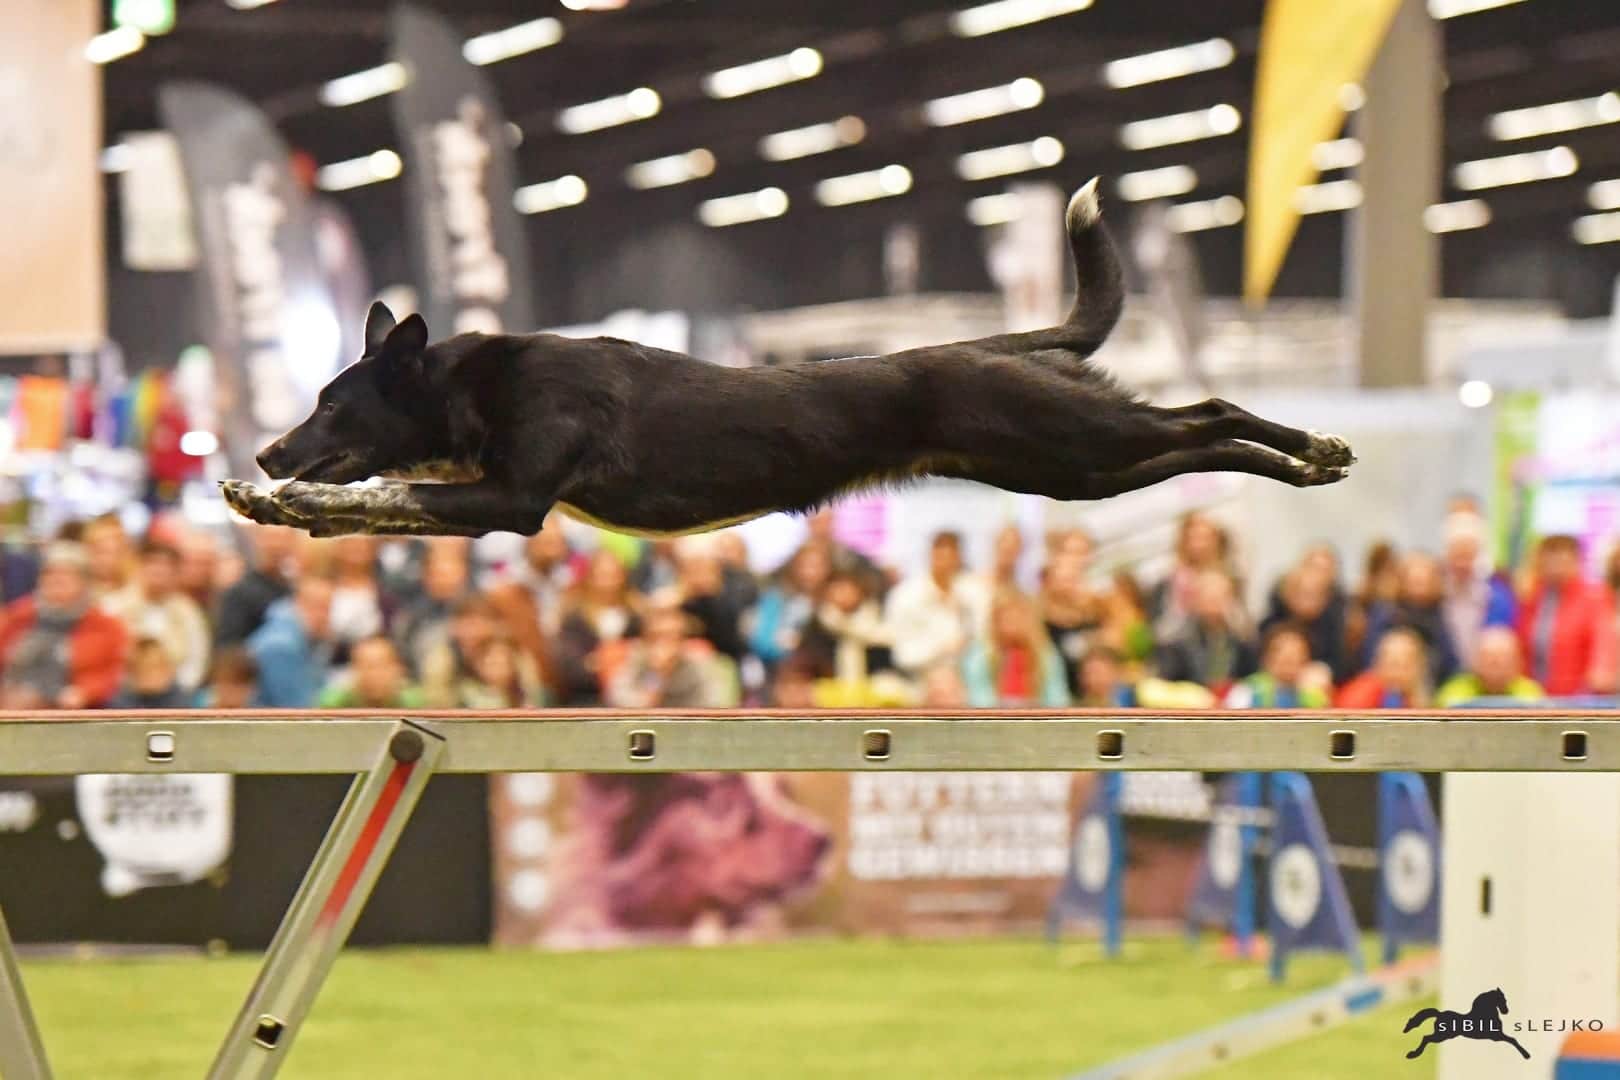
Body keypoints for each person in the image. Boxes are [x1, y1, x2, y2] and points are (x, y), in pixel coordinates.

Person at [0, 542, 128, 709]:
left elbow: (116, 675)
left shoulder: (106, 626)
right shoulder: (19, 615)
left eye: (66, 574)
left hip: (71, 710)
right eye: (49, 573)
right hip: (12, 701)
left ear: (84, 582)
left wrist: (85, 692)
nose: (56, 579)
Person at [102, 538, 212, 692]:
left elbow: (196, 662)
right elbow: (104, 658)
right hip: (123, 696)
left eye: (166, 565)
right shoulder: (112, 607)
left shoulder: (188, 612)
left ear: (176, 572)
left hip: (175, 698)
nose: (158, 571)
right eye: (152, 563)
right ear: (138, 567)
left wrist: (174, 689)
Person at [1516, 535, 1618, 696]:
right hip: (1534, 696)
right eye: (1551, 552)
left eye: (1563, 553)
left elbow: (1603, 645)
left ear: (1576, 560)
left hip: (1579, 699)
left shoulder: (1595, 597)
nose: (1556, 560)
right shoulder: (1530, 597)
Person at [884, 531, 990, 678]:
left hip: (967, 682)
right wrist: (941, 649)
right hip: (919, 681)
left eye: (951, 556)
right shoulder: (906, 595)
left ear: (959, 558)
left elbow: (982, 638)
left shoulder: (973, 592)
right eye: (940, 556)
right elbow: (901, 654)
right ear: (930, 555)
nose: (946, 562)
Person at [553, 549, 643, 706]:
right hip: (586, 699)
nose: (608, 582)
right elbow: (570, 665)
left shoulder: (637, 615)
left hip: (632, 696)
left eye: (614, 575)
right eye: (602, 575)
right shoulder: (575, 617)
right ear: (589, 578)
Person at [1359, 551, 1459, 683]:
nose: (1420, 587)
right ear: (1403, 581)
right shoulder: (1386, 613)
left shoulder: (1438, 615)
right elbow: (1370, 659)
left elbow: (1450, 662)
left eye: (1424, 581)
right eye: (1415, 581)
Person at [1153, 569, 1257, 695]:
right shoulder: (1174, 641)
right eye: (1207, 597)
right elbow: (1165, 685)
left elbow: (1252, 680)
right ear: (1194, 600)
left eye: (1220, 596)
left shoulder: (1243, 640)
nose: (1213, 603)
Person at [961, 594, 1070, 707]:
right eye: (1006, 618)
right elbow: (977, 697)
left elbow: (1058, 698)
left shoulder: (1046, 655)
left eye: (1018, 618)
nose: (1012, 624)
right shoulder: (979, 654)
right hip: (994, 718)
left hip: (1036, 717)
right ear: (995, 621)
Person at [1440, 513, 1516, 671]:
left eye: (1467, 555)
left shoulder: (1497, 596)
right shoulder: (1436, 593)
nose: (1462, 563)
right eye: (1457, 555)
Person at [247, 575, 336, 708]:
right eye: (319, 607)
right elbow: (297, 710)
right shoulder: (281, 647)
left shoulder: (306, 638)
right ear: (297, 603)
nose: (325, 616)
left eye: (328, 609)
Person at [605, 604, 718, 709]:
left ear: (683, 640)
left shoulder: (697, 663)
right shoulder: (634, 660)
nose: (664, 644)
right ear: (644, 639)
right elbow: (624, 705)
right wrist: (657, 674)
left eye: (672, 637)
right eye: (656, 637)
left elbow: (712, 706)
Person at [748, 543, 833, 668]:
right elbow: (762, 641)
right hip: (784, 669)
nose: (810, 572)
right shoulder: (777, 597)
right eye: (805, 565)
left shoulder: (835, 598)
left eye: (817, 566)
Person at [393, 540, 470, 677]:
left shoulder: (480, 610)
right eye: (438, 574)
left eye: (451, 573)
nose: (445, 581)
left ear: (464, 574)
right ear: (426, 577)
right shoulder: (411, 616)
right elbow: (402, 653)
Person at [1261, 563, 1348, 682]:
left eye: (1317, 595)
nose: (1310, 602)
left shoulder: (1332, 626)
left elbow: (1341, 666)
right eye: (1304, 594)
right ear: (1289, 594)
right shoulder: (1271, 624)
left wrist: (1321, 670)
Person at [214, 525, 298, 647]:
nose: (277, 545)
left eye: (283, 539)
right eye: (271, 538)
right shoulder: (239, 592)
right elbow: (228, 646)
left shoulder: (293, 590)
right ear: (258, 540)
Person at [1149, 511, 1231, 627]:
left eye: (1206, 537)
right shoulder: (1171, 582)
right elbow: (1162, 629)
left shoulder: (1228, 576)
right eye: (1195, 538)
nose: (1201, 545)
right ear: (1184, 542)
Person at [1038, 552, 1103, 695]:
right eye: (1065, 579)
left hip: (1086, 699)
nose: (1070, 585)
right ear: (1048, 582)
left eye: (1075, 579)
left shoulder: (1093, 616)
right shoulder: (1038, 621)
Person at [1225, 623, 1329, 708]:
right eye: (1283, 659)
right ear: (1266, 658)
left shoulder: (1313, 691)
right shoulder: (1247, 690)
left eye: (1295, 659)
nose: (1288, 668)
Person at [1436, 626, 1544, 707]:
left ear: (1518, 663)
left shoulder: (1532, 695)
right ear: (1474, 662)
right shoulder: (1453, 695)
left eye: (1503, 659)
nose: (1496, 667)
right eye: (1488, 659)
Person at [318, 635, 424, 709]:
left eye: (383, 665)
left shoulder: (415, 705)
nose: (375, 674)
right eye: (368, 666)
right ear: (354, 669)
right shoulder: (333, 706)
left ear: (398, 669)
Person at [1335, 627, 1431, 708]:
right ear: (1378, 664)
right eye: (1393, 664)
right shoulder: (1359, 697)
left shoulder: (1420, 697)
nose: (1397, 674)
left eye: (1405, 665)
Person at [110, 637, 193, 710]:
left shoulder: (185, 704)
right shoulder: (119, 705)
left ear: (169, 669)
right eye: (143, 669)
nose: (152, 675)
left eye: (157, 667)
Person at [197, 646, 261, 709]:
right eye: (226, 684)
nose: (232, 694)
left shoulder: (261, 713)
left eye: (238, 685)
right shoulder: (198, 708)